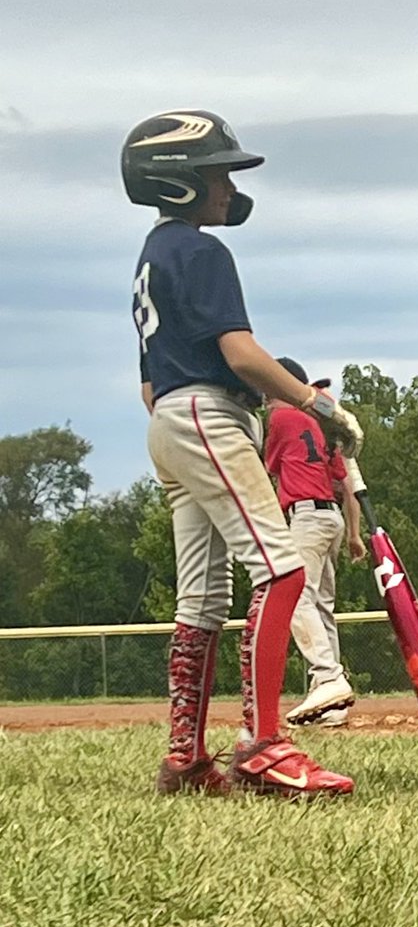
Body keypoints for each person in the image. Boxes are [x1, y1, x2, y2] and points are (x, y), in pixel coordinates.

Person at [126, 109, 362, 797]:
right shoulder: (202, 252)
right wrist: (313, 402)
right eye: (216, 173)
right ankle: (262, 744)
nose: (228, 186)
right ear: (176, 182)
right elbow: (238, 352)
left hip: (168, 419)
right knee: (282, 569)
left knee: (201, 596)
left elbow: (148, 382)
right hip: (206, 412)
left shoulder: (153, 255)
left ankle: (184, 758)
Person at [265, 358, 366, 727]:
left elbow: (269, 470)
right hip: (332, 519)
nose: (267, 402)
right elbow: (349, 488)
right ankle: (332, 705)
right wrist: (355, 535)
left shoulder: (281, 418)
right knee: (321, 606)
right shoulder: (324, 428)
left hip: (306, 517)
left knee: (295, 597)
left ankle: (327, 677)